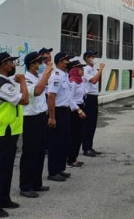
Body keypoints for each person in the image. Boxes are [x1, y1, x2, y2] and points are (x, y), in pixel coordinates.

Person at [0, 52, 30, 217]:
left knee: (7, 168)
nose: (14, 65)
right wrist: (23, 81)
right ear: (4, 64)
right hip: (4, 131)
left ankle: (3, 198)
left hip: (8, 130)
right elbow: (24, 100)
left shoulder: (1, 82)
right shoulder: (2, 84)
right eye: (11, 62)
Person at [19, 49, 53, 198]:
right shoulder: (26, 79)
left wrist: (46, 73)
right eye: (39, 62)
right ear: (31, 64)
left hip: (40, 117)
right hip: (30, 119)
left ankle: (36, 182)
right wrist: (47, 72)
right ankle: (26, 186)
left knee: (39, 152)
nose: (41, 64)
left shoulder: (38, 76)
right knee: (30, 153)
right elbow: (37, 92)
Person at [47, 52, 85, 181]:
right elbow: (51, 96)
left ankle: (60, 168)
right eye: (66, 60)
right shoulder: (56, 76)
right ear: (59, 62)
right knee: (55, 143)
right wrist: (52, 117)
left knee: (64, 141)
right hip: (57, 111)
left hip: (66, 111)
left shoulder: (65, 76)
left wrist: (76, 109)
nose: (68, 62)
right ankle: (53, 171)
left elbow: (68, 97)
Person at [82, 51, 105, 157]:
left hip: (94, 97)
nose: (94, 58)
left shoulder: (93, 69)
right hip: (88, 98)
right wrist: (101, 69)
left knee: (93, 123)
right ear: (87, 59)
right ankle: (86, 148)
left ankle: (90, 147)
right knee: (88, 124)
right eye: (92, 57)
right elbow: (94, 80)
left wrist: (98, 70)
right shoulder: (85, 70)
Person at [67, 60, 88, 168]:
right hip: (75, 110)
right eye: (81, 68)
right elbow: (69, 99)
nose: (83, 70)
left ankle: (74, 157)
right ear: (75, 70)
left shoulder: (80, 81)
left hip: (81, 106)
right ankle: (71, 159)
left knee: (79, 135)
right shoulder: (72, 83)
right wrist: (78, 110)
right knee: (74, 135)